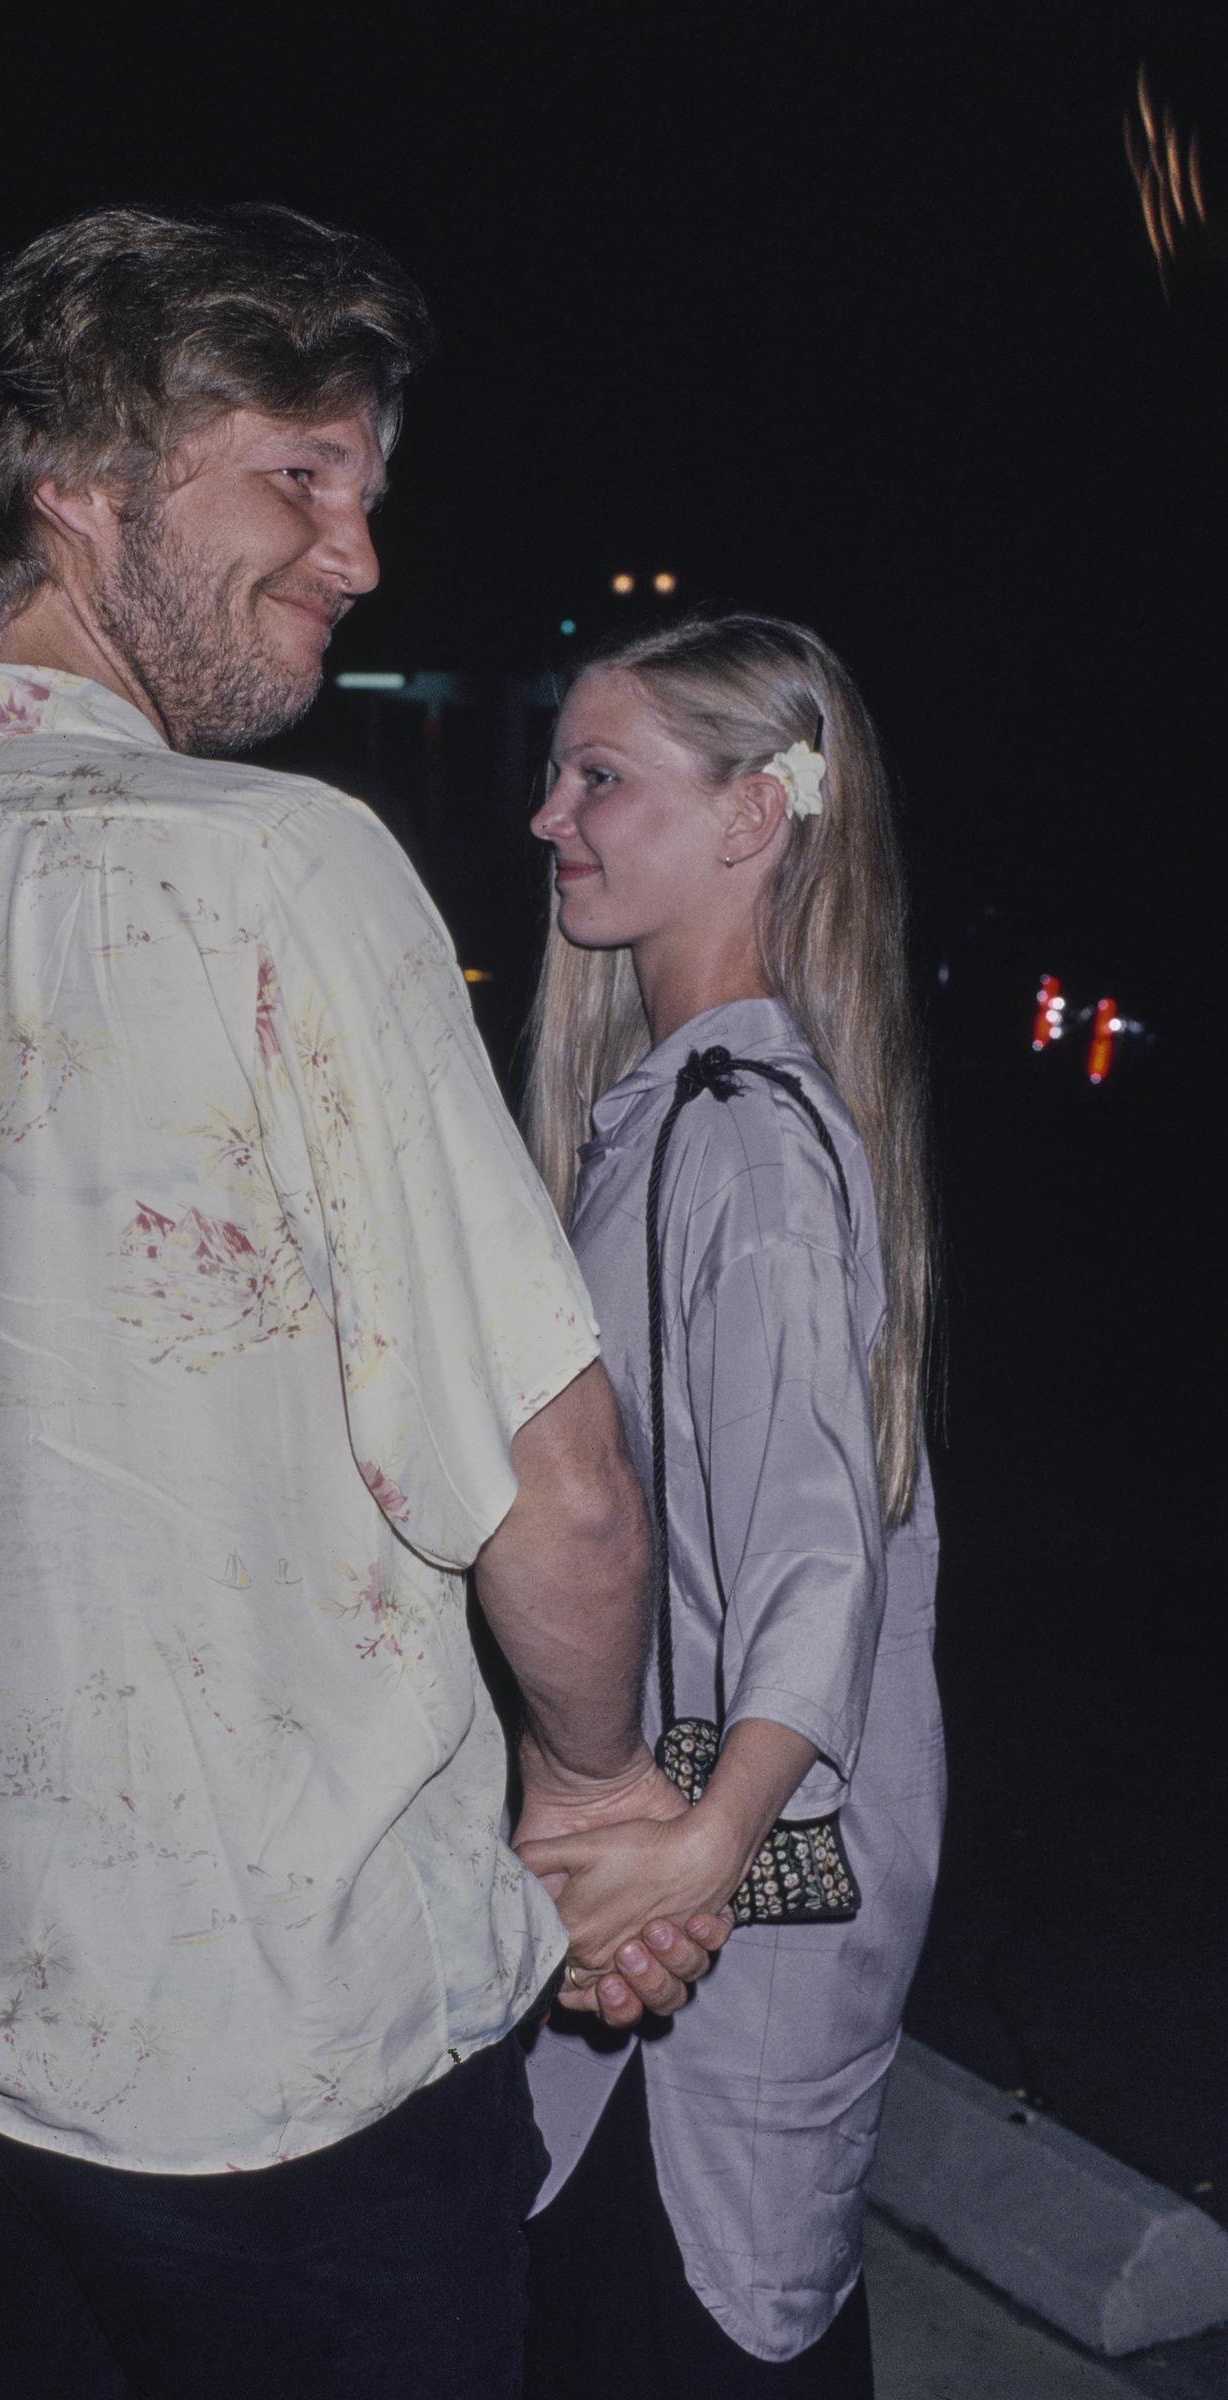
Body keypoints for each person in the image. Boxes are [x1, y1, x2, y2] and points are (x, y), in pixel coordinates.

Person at [0, 205, 719, 2400]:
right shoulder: (267, 867)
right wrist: (596, 1799)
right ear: (71, 479)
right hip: (272, 2077)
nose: (358, 552)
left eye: (368, 490)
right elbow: (557, 1496)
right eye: (295, 473)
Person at [516, 610, 946, 2396]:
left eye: (600, 776)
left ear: (753, 817)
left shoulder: (737, 1133)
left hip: (728, 1870)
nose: (548, 816)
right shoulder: (676, 1109)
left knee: (701, 2327)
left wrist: (689, 1855)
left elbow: (809, 1558)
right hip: (680, 1855)